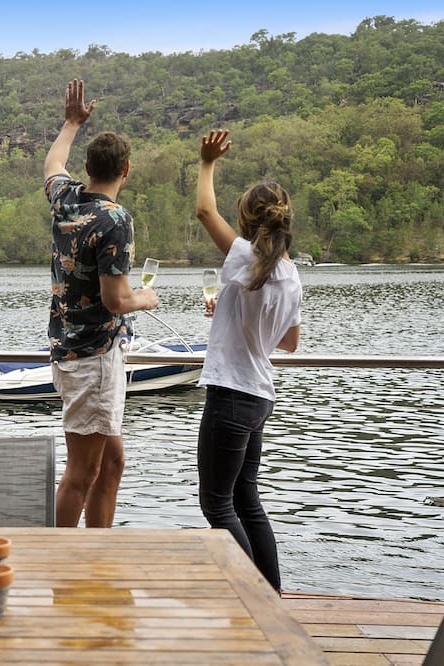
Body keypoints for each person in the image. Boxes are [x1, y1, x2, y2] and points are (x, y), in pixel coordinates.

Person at [44, 79, 159, 529]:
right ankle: (63, 562)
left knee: (112, 464)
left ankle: (100, 553)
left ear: (87, 168)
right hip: (93, 357)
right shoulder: (115, 220)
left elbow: (53, 162)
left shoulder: (65, 199)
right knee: (82, 473)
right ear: (126, 170)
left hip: (74, 352)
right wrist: (145, 298)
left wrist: (72, 122)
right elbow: (115, 300)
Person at [194, 129, 302, 593]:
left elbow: (203, 211)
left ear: (247, 220)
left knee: (217, 505)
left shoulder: (244, 256)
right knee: (247, 500)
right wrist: (235, 310)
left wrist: (206, 163)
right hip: (260, 397)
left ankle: (254, 596)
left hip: (231, 397)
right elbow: (289, 342)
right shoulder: (290, 273)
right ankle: (272, 595)